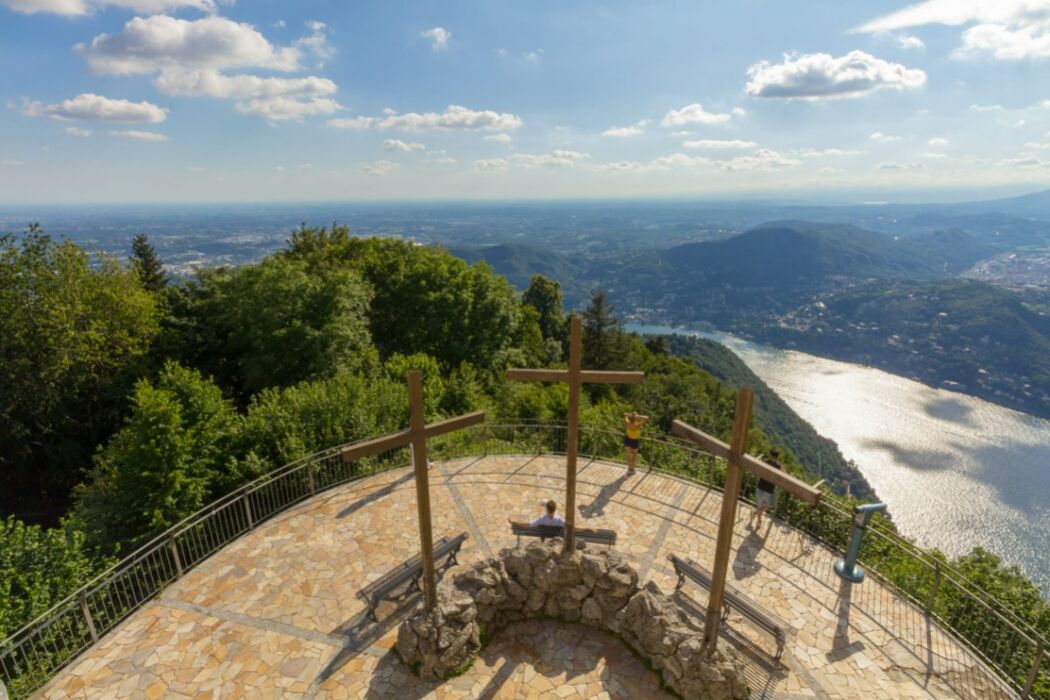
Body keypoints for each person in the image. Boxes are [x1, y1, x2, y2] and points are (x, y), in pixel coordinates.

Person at [750, 449, 782, 529]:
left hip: (770, 489)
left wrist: (780, 465)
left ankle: (754, 513)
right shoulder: (766, 462)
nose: (774, 458)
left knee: (766, 507)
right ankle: (759, 521)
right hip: (761, 486)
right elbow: (757, 466)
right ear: (771, 456)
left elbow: (785, 474)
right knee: (761, 506)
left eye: (776, 457)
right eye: (773, 456)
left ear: (777, 458)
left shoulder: (778, 466)